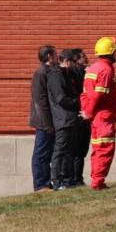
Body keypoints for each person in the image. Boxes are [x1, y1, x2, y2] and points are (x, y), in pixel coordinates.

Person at [81, 36, 116, 190]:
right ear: (110, 52)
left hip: (97, 117)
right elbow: (98, 95)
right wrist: (89, 113)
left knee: (98, 149)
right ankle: (98, 182)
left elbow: (85, 94)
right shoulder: (106, 70)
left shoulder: (94, 68)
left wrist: (87, 111)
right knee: (105, 148)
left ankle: (96, 180)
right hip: (103, 117)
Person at [47, 49, 82, 190]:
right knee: (60, 150)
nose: (76, 65)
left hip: (70, 118)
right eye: (74, 62)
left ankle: (68, 180)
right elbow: (61, 98)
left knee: (69, 151)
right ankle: (57, 180)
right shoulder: (56, 76)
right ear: (67, 61)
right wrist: (78, 103)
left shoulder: (67, 74)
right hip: (63, 118)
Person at [29, 45, 57, 191]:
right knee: (41, 153)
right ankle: (41, 184)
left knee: (47, 153)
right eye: (55, 54)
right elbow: (40, 101)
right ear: (49, 56)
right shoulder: (41, 73)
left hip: (49, 121)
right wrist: (47, 124)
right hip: (43, 122)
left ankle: (46, 182)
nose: (57, 57)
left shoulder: (50, 72)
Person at [68, 49, 91, 185]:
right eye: (83, 57)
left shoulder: (84, 72)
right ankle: (75, 178)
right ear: (76, 60)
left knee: (82, 150)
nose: (86, 59)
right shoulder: (74, 74)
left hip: (85, 117)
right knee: (76, 150)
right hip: (77, 116)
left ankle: (78, 177)